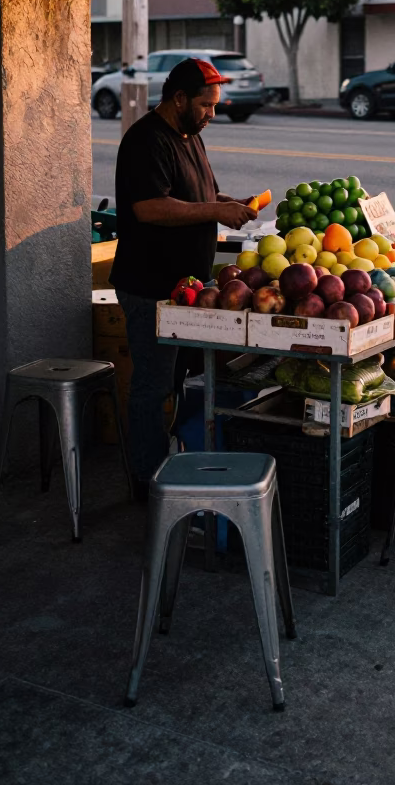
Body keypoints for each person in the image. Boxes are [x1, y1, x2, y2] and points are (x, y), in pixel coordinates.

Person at [109, 57, 258, 497]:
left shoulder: (191, 136)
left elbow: (200, 192)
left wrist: (231, 202)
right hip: (149, 287)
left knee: (181, 382)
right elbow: (150, 207)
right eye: (206, 105)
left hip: (189, 288)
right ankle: (147, 482)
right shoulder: (145, 141)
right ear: (178, 99)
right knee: (153, 387)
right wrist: (216, 210)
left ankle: (175, 463)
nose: (213, 113)